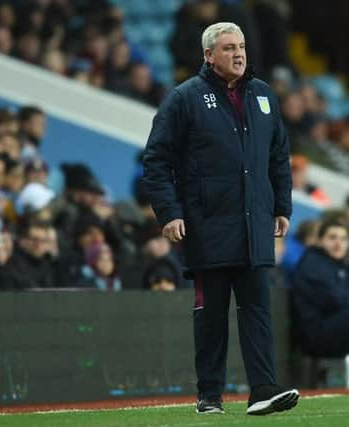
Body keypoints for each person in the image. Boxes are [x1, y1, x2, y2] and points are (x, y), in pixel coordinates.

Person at [142, 22, 297, 415]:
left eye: (242, 46)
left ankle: (262, 388)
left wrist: (282, 206)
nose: (239, 54)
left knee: (258, 311)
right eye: (229, 48)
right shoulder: (184, 98)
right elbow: (157, 160)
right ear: (209, 55)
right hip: (207, 225)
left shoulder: (264, 97)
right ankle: (209, 395)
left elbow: (278, 155)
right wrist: (169, 213)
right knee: (210, 316)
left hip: (254, 224)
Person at [291, 219, 349, 357]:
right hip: (316, 335)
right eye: (332, 237)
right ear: (320, 240)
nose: (338, 243)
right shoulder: (312, 263)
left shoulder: (339, 266)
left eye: (343, 239)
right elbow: (334, 300)